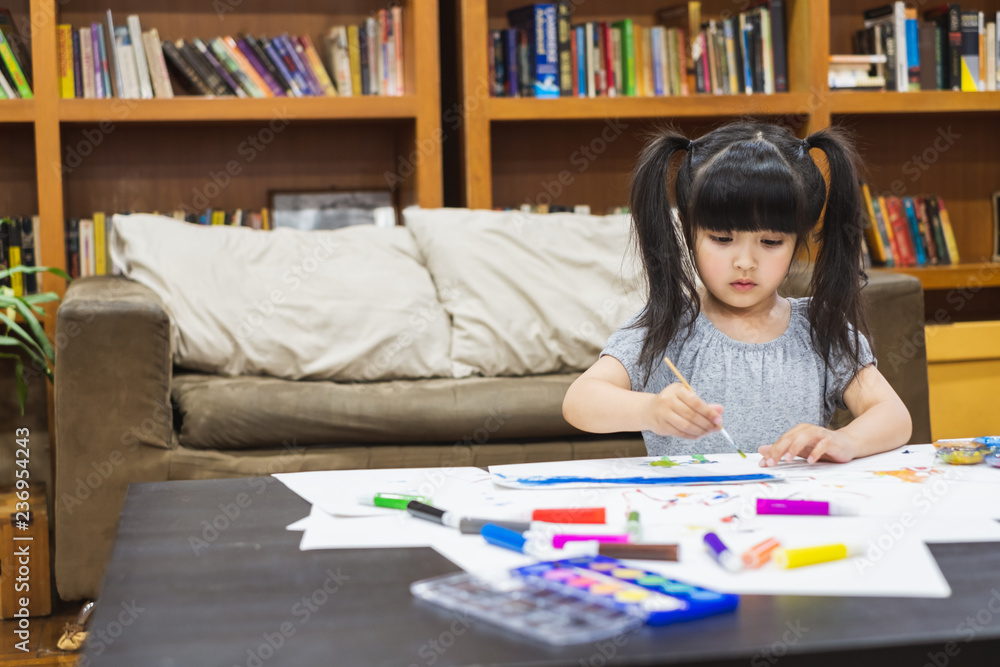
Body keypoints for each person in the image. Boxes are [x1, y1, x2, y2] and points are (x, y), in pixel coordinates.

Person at [562, 121, 912, 466]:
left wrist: (844, 439)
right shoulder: (667, 326)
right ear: (688, 231)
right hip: (688, 515)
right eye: (722, 239)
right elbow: (580, 401)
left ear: (797, 242)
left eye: (771, 242)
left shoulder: (820, 328)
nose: (745, 262)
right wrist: (650, 410)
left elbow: (893, 415)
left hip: (790, 513)